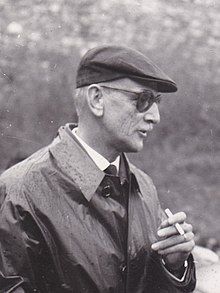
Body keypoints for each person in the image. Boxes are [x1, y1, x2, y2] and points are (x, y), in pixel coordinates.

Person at [0, 45, 196, 292]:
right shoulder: (20, 191)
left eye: (156, 101)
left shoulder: (144, 187)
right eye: (143, 99)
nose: (155, 116)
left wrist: (173, 267)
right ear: (96, 99)